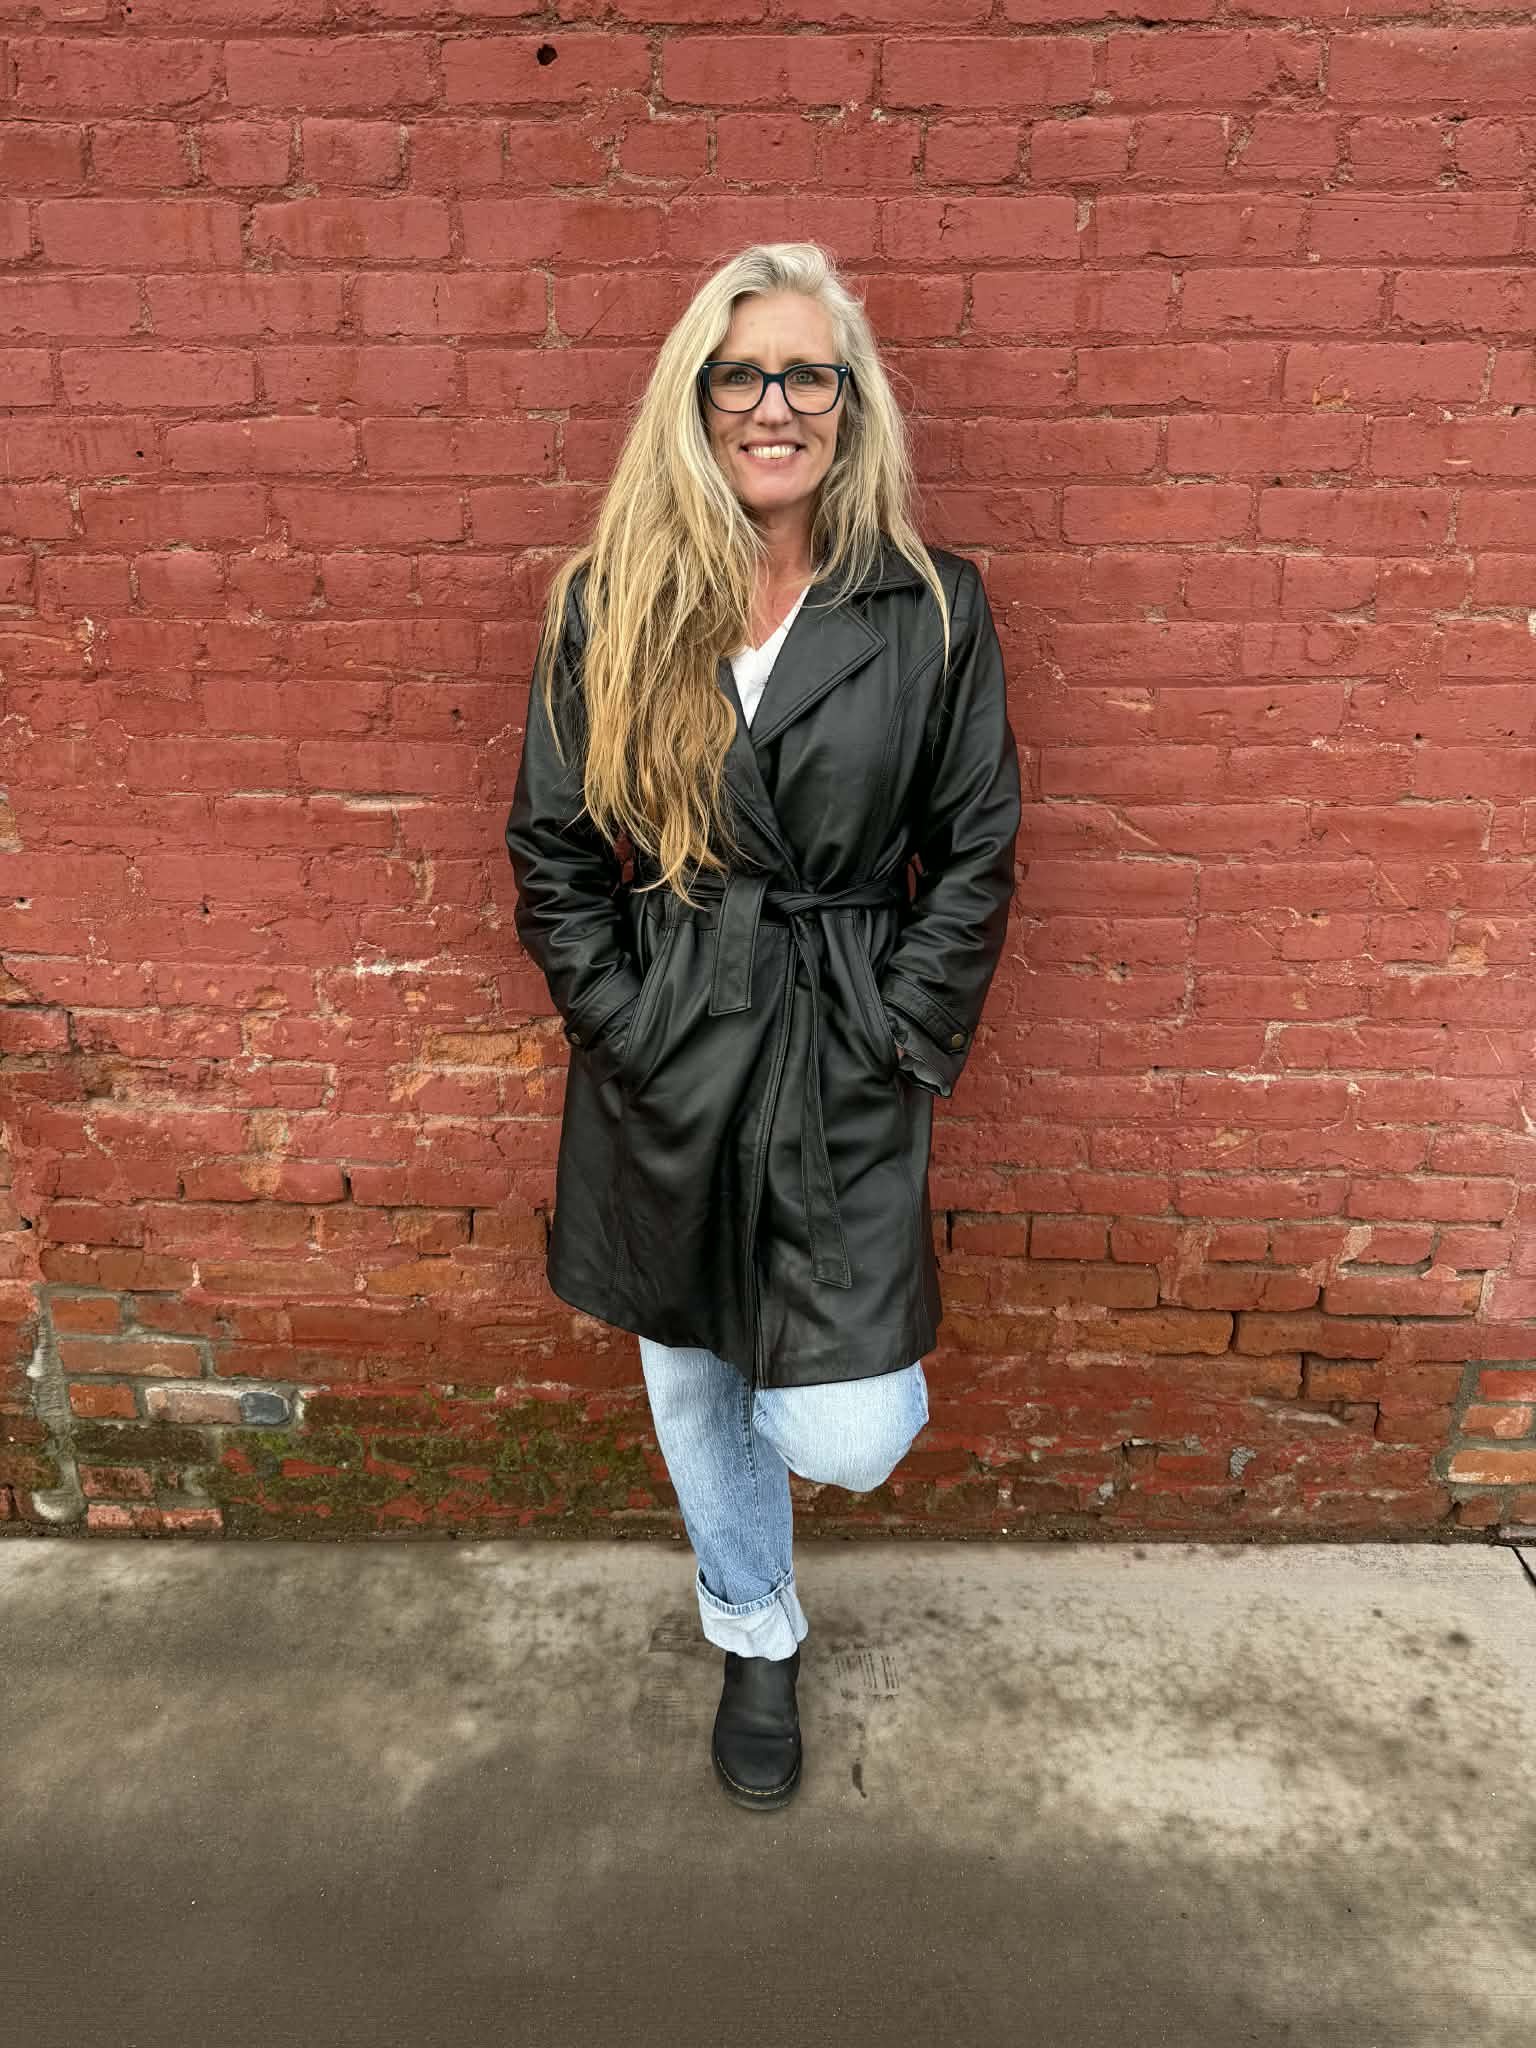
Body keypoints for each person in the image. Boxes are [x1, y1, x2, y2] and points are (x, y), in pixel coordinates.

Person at [504, 241, 1021, 1811]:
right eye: (744, 373)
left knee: (848, 1427)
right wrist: (623, 1022)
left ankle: (794, 1498)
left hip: (843, 1036)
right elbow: (550, 850)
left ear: (850, 408)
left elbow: (977, 847)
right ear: (698, 398)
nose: (775, 403)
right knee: (688, 1374)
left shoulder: (929, 610)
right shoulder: (614, 602)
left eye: (809, 373)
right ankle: (756, 1628)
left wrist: (903, 1034)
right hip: (676, 1029)